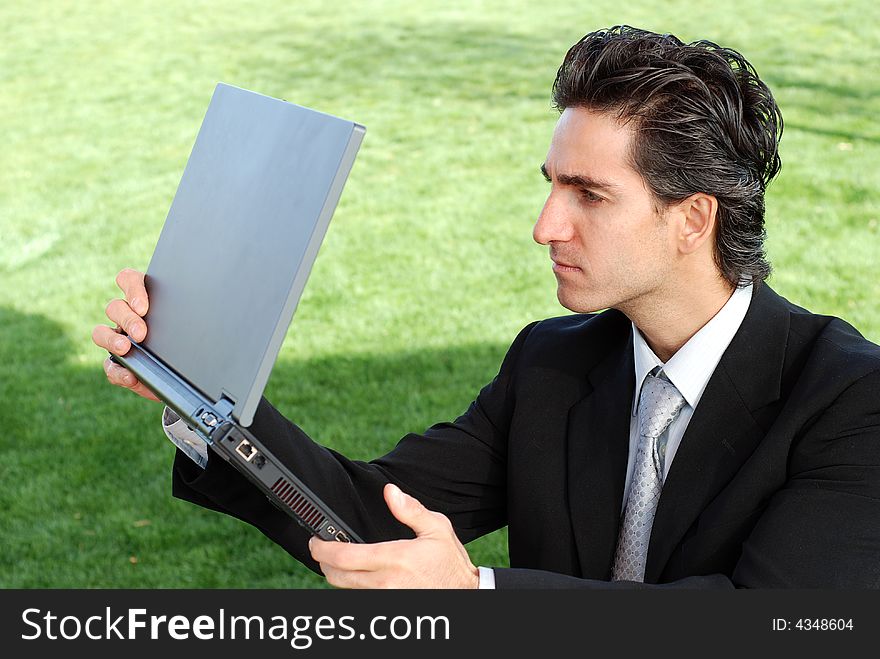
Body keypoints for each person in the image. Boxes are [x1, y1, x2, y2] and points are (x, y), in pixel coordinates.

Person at [93, 26, 880, 589]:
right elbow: (375, 520)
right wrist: (203, 390)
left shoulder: (849, 400)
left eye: (589, 195)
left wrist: (477, 598)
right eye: (551, 183)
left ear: (693, 219)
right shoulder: (552, 362)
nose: (546, 226)